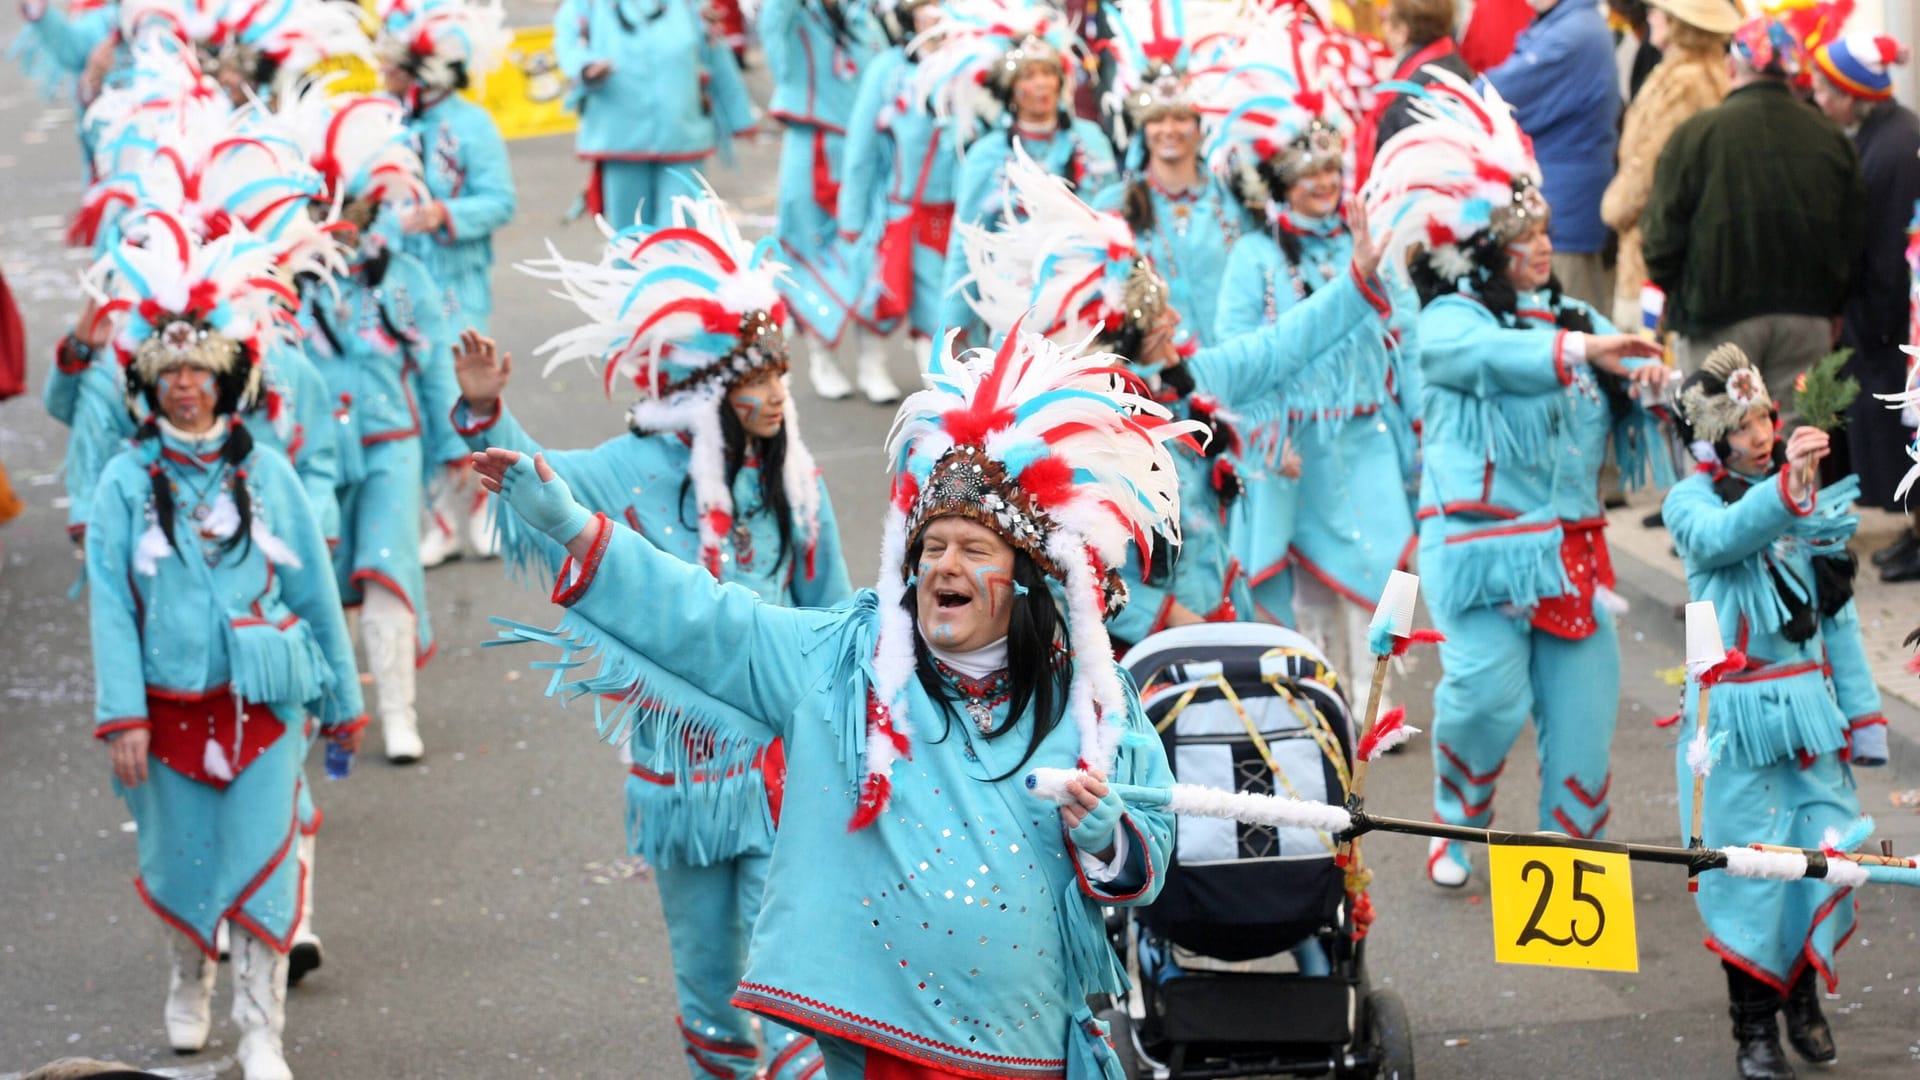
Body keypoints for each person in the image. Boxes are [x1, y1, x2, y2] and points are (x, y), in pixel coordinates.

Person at [480, 321, 1192, 1078]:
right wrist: (569, 526)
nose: (942, 565)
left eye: (974, 549)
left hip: (1029, 1052)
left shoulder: (1089, 692)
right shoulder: (847, 660)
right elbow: (707, 620)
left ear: (1026, 581)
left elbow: (1148, 849)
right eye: (932, 547)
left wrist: (1107, 838)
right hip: (879, 1047)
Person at [450, 192, 851, 1076]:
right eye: (757, 378)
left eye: (781, 373)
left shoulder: (795, 478)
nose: (779, 394)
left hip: (787, 764)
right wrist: (487, 414)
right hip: (677, 779)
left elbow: (838, 616)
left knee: (792, 973)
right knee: (708, 975)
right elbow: (536, 497)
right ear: (707, 391)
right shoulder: (630, 469)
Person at [1362, 69, 1672, 887]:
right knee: (1486, 702)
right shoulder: (1451, 317)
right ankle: (1456, 822)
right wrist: (1583, 354)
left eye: (1546, 231)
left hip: (1570, 550)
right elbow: (1476, 358)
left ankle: (1565, 871)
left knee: (1582, 724)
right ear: (1486, 243)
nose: (1543, 244)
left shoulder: (1574, 316)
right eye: (1522, 233)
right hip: (1483, 553)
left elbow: (1627, 369)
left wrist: (1653, 386)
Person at [82, 215, 367, 1080]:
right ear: (149, 384)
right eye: (170, 376)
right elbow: (109, 605)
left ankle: (260, 1031)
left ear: (228, 378)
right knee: (179, 865)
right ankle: (186, 976)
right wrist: (121, 714)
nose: (185, 390)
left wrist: (343, 706)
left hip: (267, 712)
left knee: (265, 867)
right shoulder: (125, 480)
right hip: (165, 714)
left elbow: (316, 591)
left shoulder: (269, 472)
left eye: (200, 373)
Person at [1664, 344, 1886, 1080]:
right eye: (1742, 425)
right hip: (1729, 720)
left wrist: (1863, 716)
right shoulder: (1690, 501)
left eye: (1765, 417)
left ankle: (1801, 1001)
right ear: (1711, 440)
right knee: (1747, 873)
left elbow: (1838, 621)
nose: (1761, 434)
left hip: (1809, 715)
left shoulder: (1808, 502)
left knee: (1823, 860)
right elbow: (1723, 540)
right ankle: (1752, 1030)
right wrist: (1790, 489)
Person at [1205, 9, 1421, 712]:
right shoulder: (1255, 257)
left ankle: (1378, 705)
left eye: (1333, 170)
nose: (1325, 185)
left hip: (1365, 437)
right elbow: (1237, 359)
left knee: (1379, 566)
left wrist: (1418, 428)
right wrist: (1265, 435)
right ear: (1281, 184)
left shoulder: (1368, 246)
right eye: (1310, 174)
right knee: (1306, 587)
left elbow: (1408, 341)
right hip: (1294, 446)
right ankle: (1321, 705)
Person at [288, 81, 463, 766]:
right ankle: (327, 709)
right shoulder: (284, 285)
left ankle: (398, 712)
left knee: (387, 574)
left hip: (392, 447)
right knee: (315, 583)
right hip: (312, 457)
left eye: (353, 213)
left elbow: (438, 367)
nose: (343, 228)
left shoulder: (403, 277)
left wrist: (456, 448)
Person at [1641, 15, 1865, 391]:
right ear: (1792, 72)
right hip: (1807, 318)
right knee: (1802, 439)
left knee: (1722, 435)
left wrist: (1668, 286)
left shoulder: (1695, 135)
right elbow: (1854, 234)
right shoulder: (1831, 138)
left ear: (1731, 66)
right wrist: (1833, 302)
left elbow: (1662, 235)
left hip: (1715, 317)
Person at [375, 0, 518, 566]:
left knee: (458, 395)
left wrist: (444, 215)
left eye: (396, 67)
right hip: (397, 285)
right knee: (409, 396)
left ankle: (486, 511)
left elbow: (500, 201)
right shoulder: (383, 121)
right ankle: (439, 521)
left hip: (456, 285)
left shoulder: (472, 124)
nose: (384, 75)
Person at [924, 0, 1119, 352]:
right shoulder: (988, 154)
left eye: (1047, 73)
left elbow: (1113, 216)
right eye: (1029, 75)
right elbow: (967, 240)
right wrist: (950, 328)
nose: (1041, 84)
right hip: (1013, 304)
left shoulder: (1090, 139)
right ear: (1010, 89)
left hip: (1085, 298)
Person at [1808, 33, 1920, 579]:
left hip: (1895, 316)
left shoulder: (1892, 147)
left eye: (1828, 90)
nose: (1820, 98)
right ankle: (1915, 529)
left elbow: (1884, 247)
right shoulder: (1883, 136)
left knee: (1906, 424)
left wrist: (1875, 318)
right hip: (1887, 312)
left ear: (1855, 94)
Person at [1091, 0, 1251, 348]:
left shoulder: (1234, 196)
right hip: (1160, 376)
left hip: (1236, 368)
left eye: (1181, 117)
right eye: (1157, 119)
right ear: (1142, 129)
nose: (1169, 129)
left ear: (1199, 126)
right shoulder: (1114, 205)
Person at [758, 0, 887, 402]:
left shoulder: (864, 16)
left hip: (867, 149)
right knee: (807, 250)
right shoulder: (792, 13)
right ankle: (822, 357)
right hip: (811, 144)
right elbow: (773, 36)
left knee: (872, 250)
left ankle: (873, 361)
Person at [832, 0, 956, 384]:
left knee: (941, 306)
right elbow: (861, 148)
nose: (933, 15)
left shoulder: (970, 69)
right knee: (882, 290)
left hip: (955, 212)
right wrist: (852, 217)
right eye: (924, 6)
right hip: (899, 208)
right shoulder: (889, 69)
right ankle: (871, 364)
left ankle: (940, 381)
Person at [552, 0, 756, 232]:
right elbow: (567, 46)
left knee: (680, 236)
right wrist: (586, 67)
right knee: (631, 239)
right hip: (620, 139)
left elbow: (717, 57)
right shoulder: (586, 6)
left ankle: (675, 268)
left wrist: (741, 118)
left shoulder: (690, 6)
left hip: (683, 136)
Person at [1599, 0, 1735, 333]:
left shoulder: (1683, 83)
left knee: (1651, 362)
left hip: (1655, 249)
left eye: (1661, 11)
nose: (1652, 15)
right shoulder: (1704, 72)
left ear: (1679, 24)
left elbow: (1653, 166)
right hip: (1680, 240)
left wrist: (1614, 208)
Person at [1480, 0, 1620, 313]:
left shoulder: (1573, 34)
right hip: (1562, 211)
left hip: (1563, 221)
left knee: (1569, 323)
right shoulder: (1567, 24)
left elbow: (1493, 94)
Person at [1356, 0, 1473, 186]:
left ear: (1402, 32)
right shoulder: (1451, 62)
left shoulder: (1415, 90)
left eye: (1386, 19)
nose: (1383, 27)